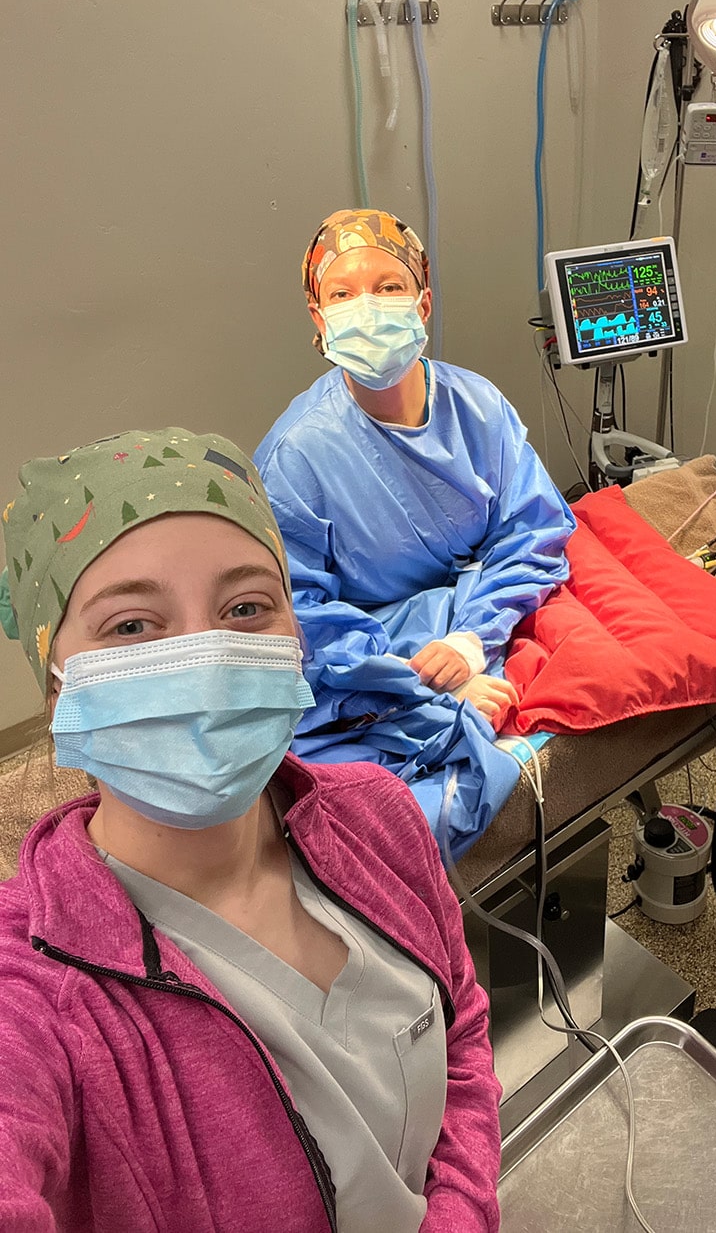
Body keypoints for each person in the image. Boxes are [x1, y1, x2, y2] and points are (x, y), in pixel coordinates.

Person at [0, 427, 501, 1231]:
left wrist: (462, 1212)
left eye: (245, 608)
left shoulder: (375, 814)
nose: (206, 654)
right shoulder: (38, 988)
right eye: (131, 626)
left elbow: (466, 1031)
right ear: (58, 690)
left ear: (295, 638)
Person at [254, 209, 575, 854]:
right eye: (341, 294)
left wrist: (468, 637)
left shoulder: (477, 406)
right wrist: (419, 678)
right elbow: (299, 620)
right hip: (374, 661)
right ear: (319, 322)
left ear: (423, 304)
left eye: (388, 286)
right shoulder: (299, 454)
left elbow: (534, 528)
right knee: (358, 818)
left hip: (484, 616)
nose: (366, 307)